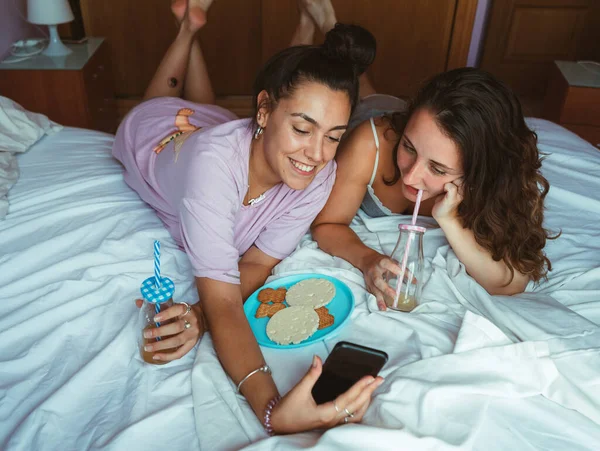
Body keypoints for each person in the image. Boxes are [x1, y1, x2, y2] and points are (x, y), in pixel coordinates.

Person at [112, 0, 383, 436]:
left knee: (207, 112)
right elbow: (222, 299)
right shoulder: (213, 165)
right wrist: (271, 408)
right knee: (164, 103)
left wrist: (200, 314)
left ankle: (191, 26)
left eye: (333, 136)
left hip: (218, 131)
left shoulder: (317, 170)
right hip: (156, 135)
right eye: (302, 128)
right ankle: (186, 31)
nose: (316, 154)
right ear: (265, 110)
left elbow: (256, 263)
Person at [306, 0, 556, 310]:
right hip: (378, 119)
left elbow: (508, 283)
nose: (410, 176)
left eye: (438, 168)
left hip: (407, 125)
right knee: (345, 84)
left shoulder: (497, 182)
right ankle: (322, 26)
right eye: (409, 148)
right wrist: (368, 259)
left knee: (365, 86)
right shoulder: (372, 143)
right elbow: (327, 225)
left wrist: (450, 220)